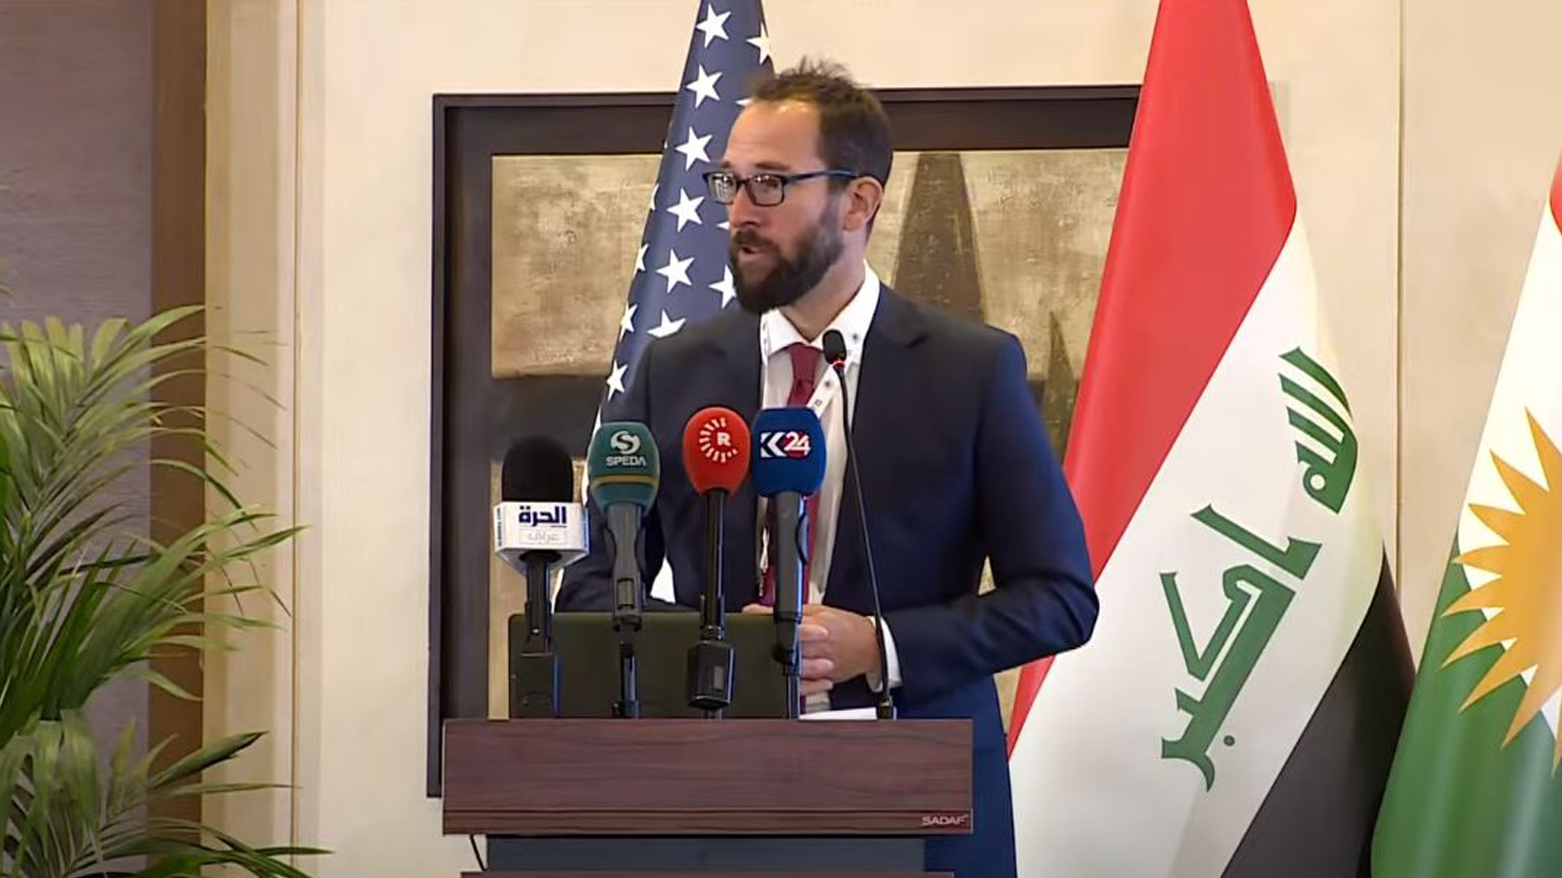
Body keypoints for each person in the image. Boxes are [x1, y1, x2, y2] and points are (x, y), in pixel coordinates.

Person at [557, 58, 1097, 878]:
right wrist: (718, 649)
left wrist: (879, 645)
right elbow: (593, 584)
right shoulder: (675, 370)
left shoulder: (970, 371)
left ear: (858, 201)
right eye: (729, 182)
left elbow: (1060, 599)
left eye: (771, 183)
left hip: (921, 799)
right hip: (713, 798)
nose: (740, 211)